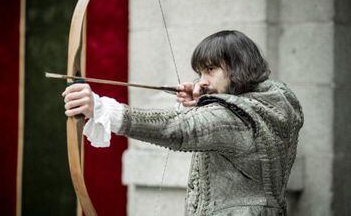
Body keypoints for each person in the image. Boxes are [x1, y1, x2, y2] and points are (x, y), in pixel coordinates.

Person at [61, 30, 304, 215]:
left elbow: (178, 128)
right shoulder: (274, 103)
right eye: (200, 73)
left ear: (239, 67)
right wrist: (206, 94)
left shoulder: (235, 119)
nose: (202, 80)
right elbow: (231, 103)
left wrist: (102, 109)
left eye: (210, 70)